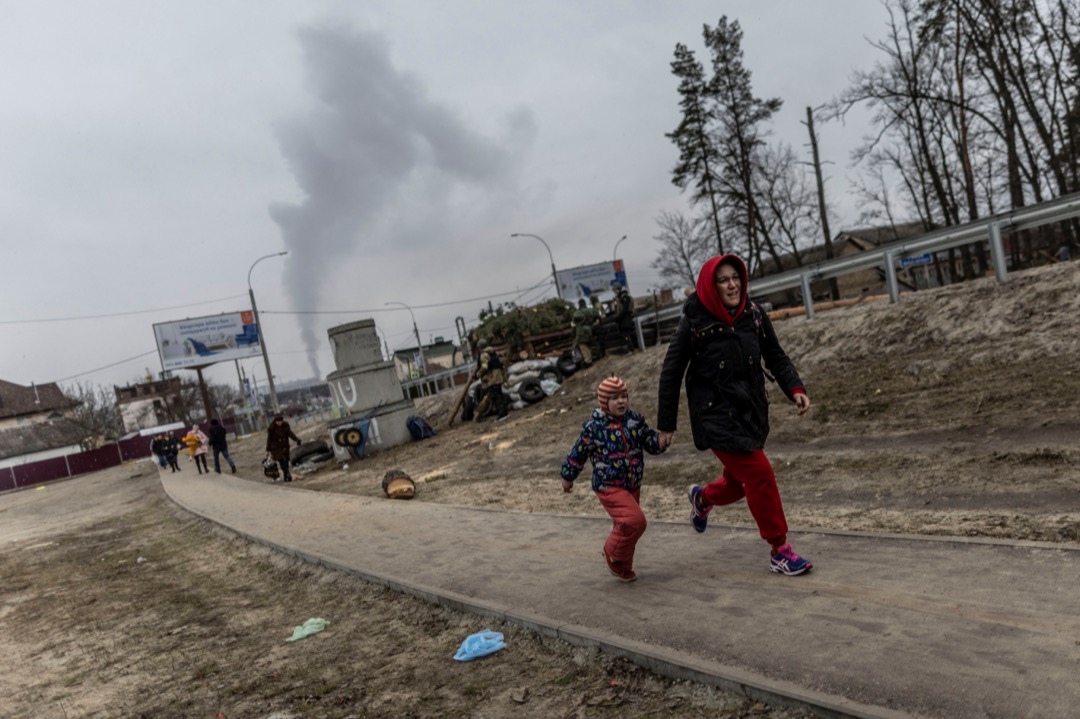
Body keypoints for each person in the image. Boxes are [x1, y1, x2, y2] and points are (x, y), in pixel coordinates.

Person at [656, 254, 814, 576]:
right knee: (759, 475)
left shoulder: (753, 314)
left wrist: (795, 388)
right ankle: (779, 550)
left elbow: (775, 355)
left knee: (740, 483)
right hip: (713, 416)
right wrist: (666, 425)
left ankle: (702, 498)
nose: (732, 285)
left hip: (749, 411)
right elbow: (671, 373)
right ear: (711, 286)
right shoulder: (694, 321)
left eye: (736, 278)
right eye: (723, 280)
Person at [560, 376, 665, 582]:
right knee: (635, 522)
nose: (621, 401)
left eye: (624, 396)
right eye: (615, 398)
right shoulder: (594, 427)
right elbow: (577, 453)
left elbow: (650, 442)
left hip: (632, 484)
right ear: (604, 402)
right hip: (608, 486)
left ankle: (623, 566)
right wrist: (567, 476)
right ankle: (611, 551)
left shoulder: (635, 421)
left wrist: (660, 441)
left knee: (626, 527)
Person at [475, 339, 509, 422]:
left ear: (480, 347)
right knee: (499, 394)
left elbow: (484, 367)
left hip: (492, 377)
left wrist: (478, 375)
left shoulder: (484, 354)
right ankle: (505, 413)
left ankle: (502, 414)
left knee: (496, 396)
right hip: (498, 375)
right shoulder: (492, 351)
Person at [266, 413, 302, 482]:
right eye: (277, 421)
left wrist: (296, 439)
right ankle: (287, 474)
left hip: (285, 446)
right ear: (275, 421)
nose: (279, 423)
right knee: (282, 460)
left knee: (286, 461)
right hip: (276, 448)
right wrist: (268, 449)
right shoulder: (271, 428)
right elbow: (269, 439)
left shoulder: (285, 425)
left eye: (280, 421)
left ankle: (286, 475)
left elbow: (290, 433)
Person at [611, 282, 637, 351]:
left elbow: (624, 309)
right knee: (626, 334)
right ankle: (632, 348)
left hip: (625, 318)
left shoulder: (624, 297)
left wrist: (618, 317)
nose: (614, 291)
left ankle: (632, 349)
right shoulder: (619, 298)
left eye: (615, 290)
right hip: (623, 319)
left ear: (618, 289)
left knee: (626, 334)